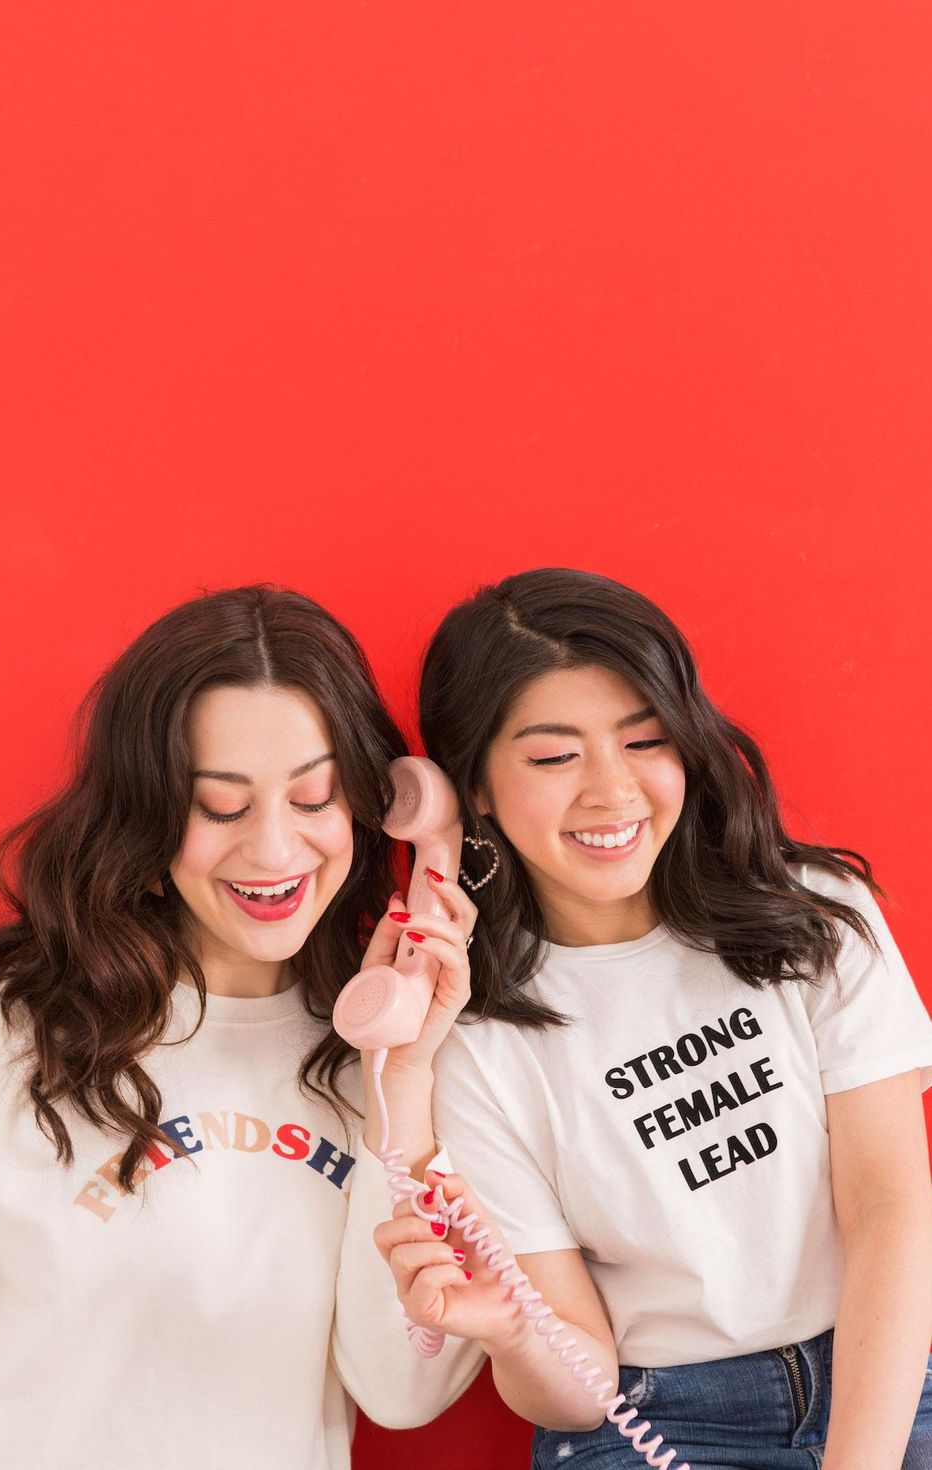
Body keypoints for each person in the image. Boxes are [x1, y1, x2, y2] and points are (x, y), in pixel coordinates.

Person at [375, 567, 932, 1469]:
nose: (612, 792)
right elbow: (575, 1377)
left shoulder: (816, 914)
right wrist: (512, 1334)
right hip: (658, 1416)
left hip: (883, 1375)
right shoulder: (476, 1043)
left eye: (645, 742)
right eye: (554, 757)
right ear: (468, 788)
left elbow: (891, 1210)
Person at [0, 584, 481, 1470]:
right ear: (149, 813)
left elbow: (403, 1389)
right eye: (221, 808)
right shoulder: (2, 1023)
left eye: (313, 800)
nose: (274, 852)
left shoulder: (393, 1058)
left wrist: (403, 1084)